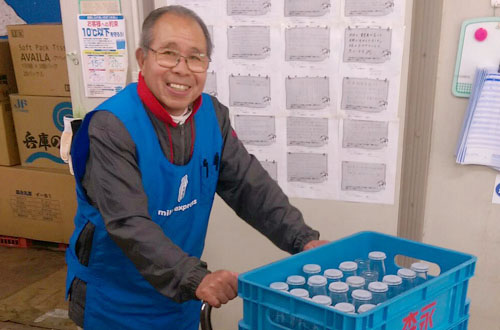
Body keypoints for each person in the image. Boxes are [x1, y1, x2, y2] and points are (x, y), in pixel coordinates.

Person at [65, 5, 328, 330]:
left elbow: (248, 186)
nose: (182, 69)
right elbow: (127, 222)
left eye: (195, 57)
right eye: (168, 54)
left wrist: (302, 239)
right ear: (142, 58)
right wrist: (193, 277)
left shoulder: (211, 117)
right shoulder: (111, 127)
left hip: (180, 295)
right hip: (116, 301)